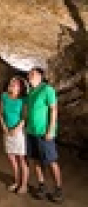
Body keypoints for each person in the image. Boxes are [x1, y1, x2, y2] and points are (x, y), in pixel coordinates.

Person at [26, 67, 64, 203]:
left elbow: (54, 109)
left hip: (44, 133)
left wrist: (50, 130)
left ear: (40, 76)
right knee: (36, 160)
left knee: (51, 161)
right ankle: (42, 186)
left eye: (33, 73)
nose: (29, 75)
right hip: (31, 132)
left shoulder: (47, 89)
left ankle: (58, 189)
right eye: (29, 73)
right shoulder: (31, 92)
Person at [0, 77, 29, 194]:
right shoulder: (4, 96)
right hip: (7, 131)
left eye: (14, 84)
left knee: (22, 159)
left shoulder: (24, 100)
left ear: (20, 88)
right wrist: (4, 127)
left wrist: (17, 129)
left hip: (19, 132)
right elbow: (0, 114)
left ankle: (24, 185)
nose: (11, 84)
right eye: (11, 82)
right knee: (11, 158)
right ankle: (16, 181)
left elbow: (25, 117)